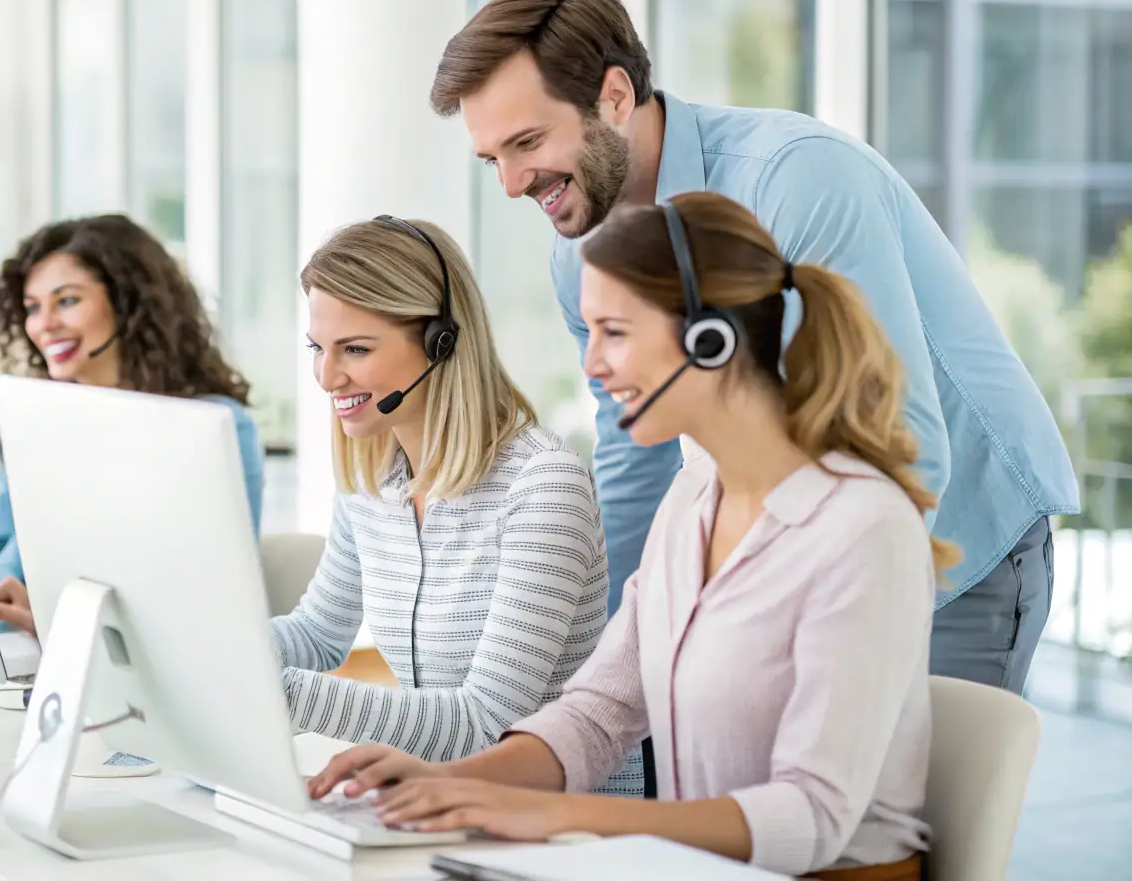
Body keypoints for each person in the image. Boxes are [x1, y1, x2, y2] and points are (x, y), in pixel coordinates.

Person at [428, 0, 1078, 694]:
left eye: (526, 142)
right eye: (492, 159)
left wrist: (765, 620)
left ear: (613, 97)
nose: (512, 183)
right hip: (802, 554)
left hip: (954, 538)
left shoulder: (796, 178)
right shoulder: (578, 250)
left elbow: (903, 444)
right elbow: (632, 458)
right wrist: (619, 659)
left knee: (903, 801)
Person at [308, 192, 959, 880]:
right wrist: (459, 785)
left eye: (614, 333)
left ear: (711, 338)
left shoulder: (861, 529)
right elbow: (596, 714)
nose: (592, 366)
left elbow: (811, 821)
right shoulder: (693, 500)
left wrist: (558, 815)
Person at [277, 215, 642, 794]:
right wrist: (218, 649)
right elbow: (318, 635)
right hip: (438, 803)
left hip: (562, 825)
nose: (327, 376)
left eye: (355, 349)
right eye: (318, 348)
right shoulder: (371, 482)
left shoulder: (542, 487)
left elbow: (487, 727)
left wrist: (277, 689)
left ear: (440, 344)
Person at [0, 213, 265, 635]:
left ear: (128, 302)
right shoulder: (38, 422)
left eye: (68, 300)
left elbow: (212, 591)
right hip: (27, 649)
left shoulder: (212, 427)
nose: (44, 324)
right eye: (32, 308)